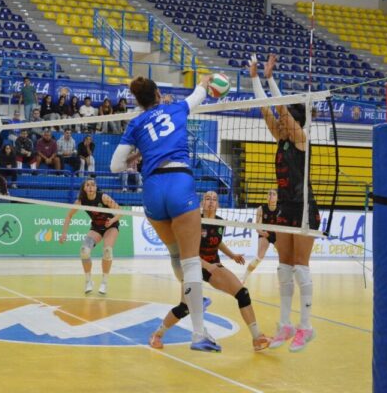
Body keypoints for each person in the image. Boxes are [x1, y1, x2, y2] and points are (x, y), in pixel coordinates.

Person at [110, 75, 219, 352]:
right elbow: (200, 94)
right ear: (158, 93)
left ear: (138, 100)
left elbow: (115, 166)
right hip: (178, 180)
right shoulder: (176, 108)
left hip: (152, 189)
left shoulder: (135, 123)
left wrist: (138, 156)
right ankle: (199, 333)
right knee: (191, 260)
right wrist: (204, 81)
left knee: (175, 254)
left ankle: (191, 295)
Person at [249, 54, 320, 352]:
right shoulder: (282, 138)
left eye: (286, 116)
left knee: (301, 268)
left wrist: (270, 78)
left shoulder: (302, 137)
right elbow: (266, 108)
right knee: (284, 268)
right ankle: (285, 324)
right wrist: (256, 77)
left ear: (295, 119)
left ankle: (306, 326)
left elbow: (279, 108)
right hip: (285, 208)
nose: (280, 120)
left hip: (304, 207)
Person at [149, 191, 271, 352]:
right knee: (185, 307)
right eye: (207, 199)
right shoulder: (194, 221)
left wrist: (232, 255)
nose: (211, 202)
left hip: (212, 266)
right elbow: (186, 251)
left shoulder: (220, 222)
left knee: (243, 294)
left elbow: (218, 242)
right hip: (192, 265)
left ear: (218, 204)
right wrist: (207, 266)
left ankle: (257, 338)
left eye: (214, 199)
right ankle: (157, 335)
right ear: (201, 203)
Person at [60, 178, 121, 295]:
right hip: (96, 228)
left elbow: (120, 211)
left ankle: (104, 282)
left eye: (93, 185)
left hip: (111, 226)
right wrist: (64, 233)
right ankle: (88, 281)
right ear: (84, 188)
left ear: (96, 187)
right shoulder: (81, 201)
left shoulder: (104, 197)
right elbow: (69, 216)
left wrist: (112, 220)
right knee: (84, 251)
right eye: (88, 185)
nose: (91, 187)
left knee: (107, 251)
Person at [241, 189, 279, 284]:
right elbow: (258, 228)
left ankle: (282, 281)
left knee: (284, 257)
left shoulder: (280, 209)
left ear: (277, 197)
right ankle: (244, 278)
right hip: (264, 233)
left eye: (274, 194)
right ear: (266, 197)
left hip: (277, 234)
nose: (271, 195)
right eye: (269, 194)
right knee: (259, 257)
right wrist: (263, 233)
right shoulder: (261, 209)